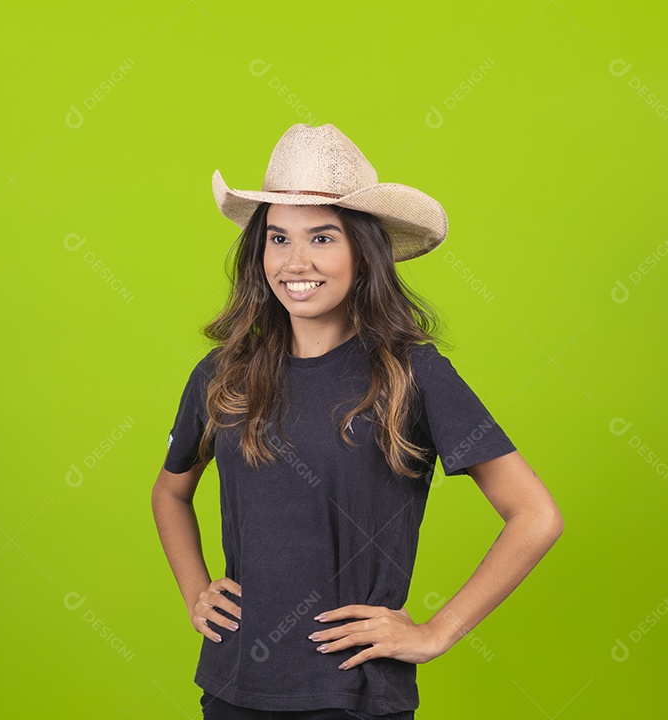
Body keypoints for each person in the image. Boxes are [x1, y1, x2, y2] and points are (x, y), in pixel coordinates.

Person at [150, 123, 563, 720]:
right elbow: (170, 492)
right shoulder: (222, 375)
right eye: (277, 238)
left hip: (354, 697)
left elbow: (536, 515)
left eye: (322, 237)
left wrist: (437, 630)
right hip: (232, 687)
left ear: (363, 253)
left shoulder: (412, 374)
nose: (296, 261)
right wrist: (197, 592)